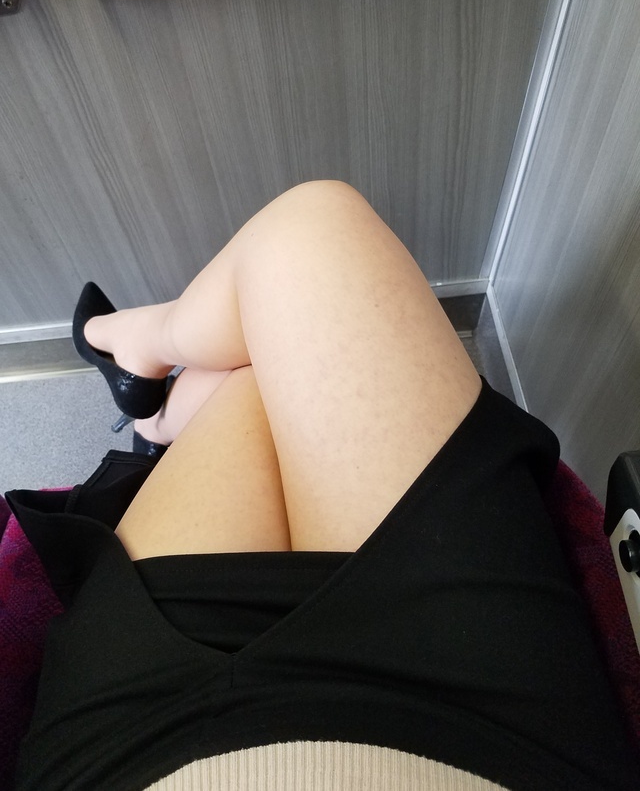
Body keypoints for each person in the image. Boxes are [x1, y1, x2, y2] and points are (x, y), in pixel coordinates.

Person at [5, 181, 638, 790]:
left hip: (149, 741)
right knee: (309, 239)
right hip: (487, 726)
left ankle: (142, 382)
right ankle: (145, 386)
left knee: (265, 360)